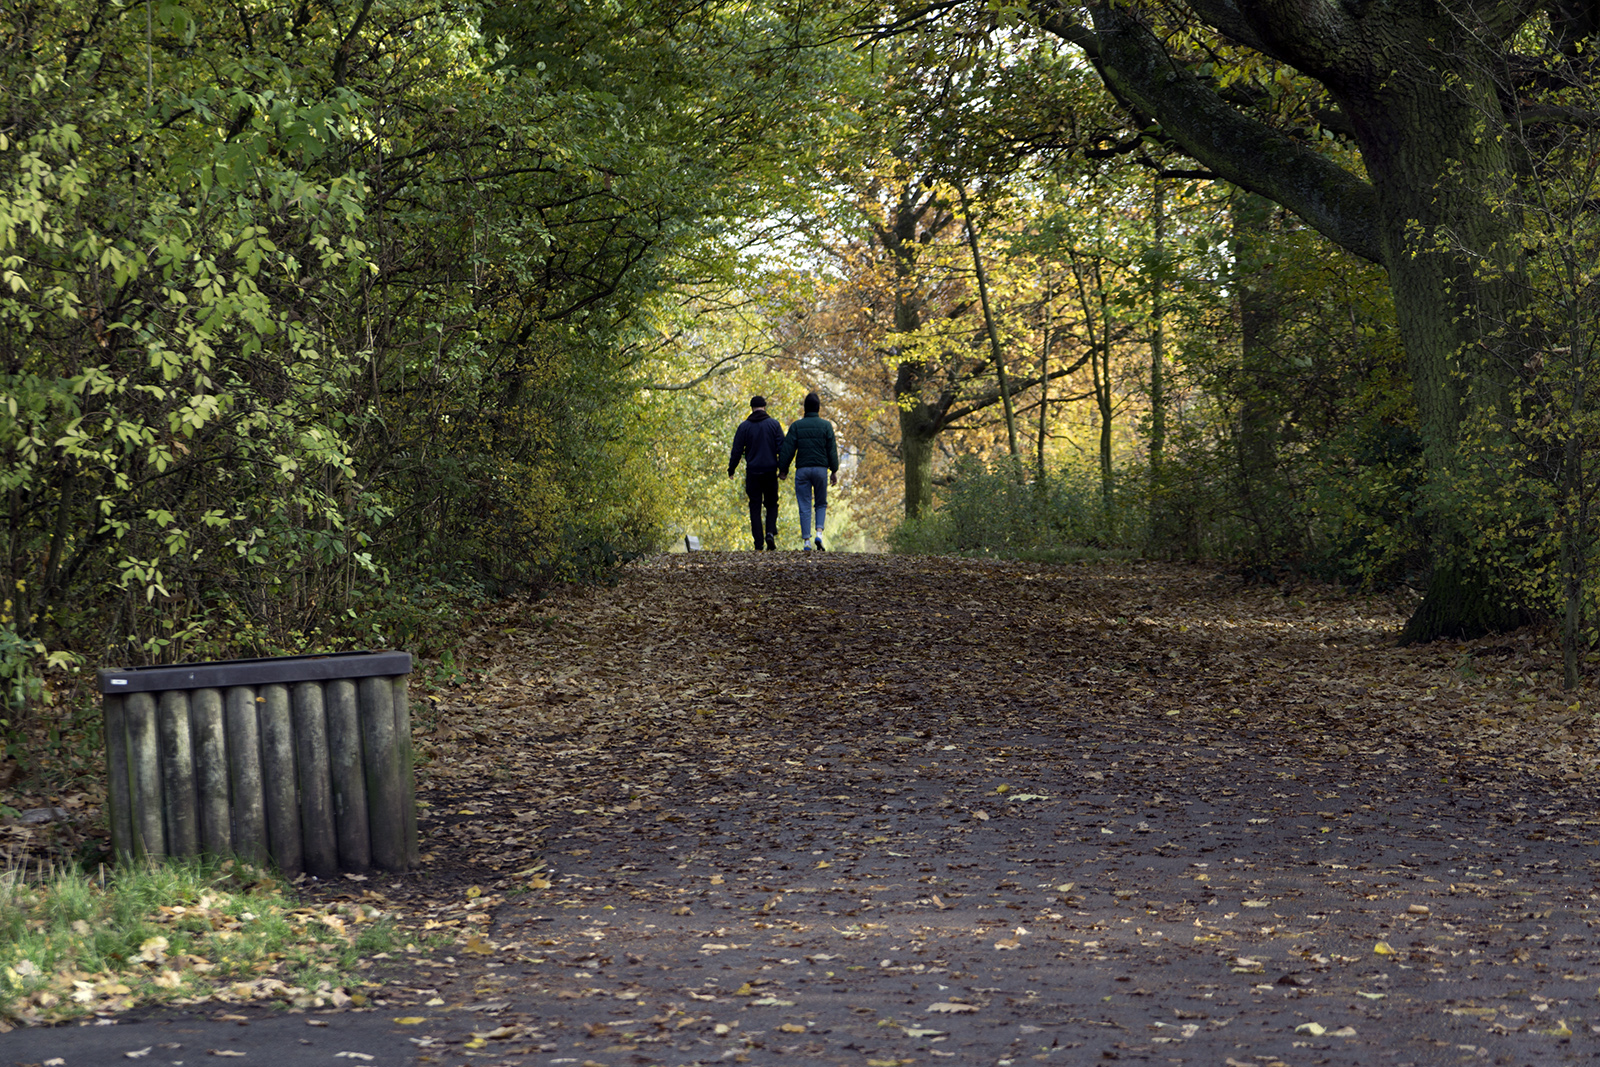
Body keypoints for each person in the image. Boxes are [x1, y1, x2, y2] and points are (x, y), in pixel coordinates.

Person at [777, 391, 839, 552]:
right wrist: (834, 470)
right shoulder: (826, 426)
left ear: (805, 408)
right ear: (818, 408)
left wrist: (783, 469)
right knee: (820, 503)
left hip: (802, 470)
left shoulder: (797, 426)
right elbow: (831, 450)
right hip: (820, 470)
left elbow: (787, 449)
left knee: (804, 504)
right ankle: (819, 533)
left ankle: (806, 542)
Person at [727, 395, 785, 550]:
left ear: (751, 408)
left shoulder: (744, 427)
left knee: (755, 506)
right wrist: (782, 469)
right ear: (764, 407)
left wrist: (731, 469)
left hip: (753, 472)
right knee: (772, 504)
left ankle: (758, 543)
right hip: (770, 471)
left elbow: (737, 451)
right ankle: (770, 533)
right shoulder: (774, 425)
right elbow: (783, 449)